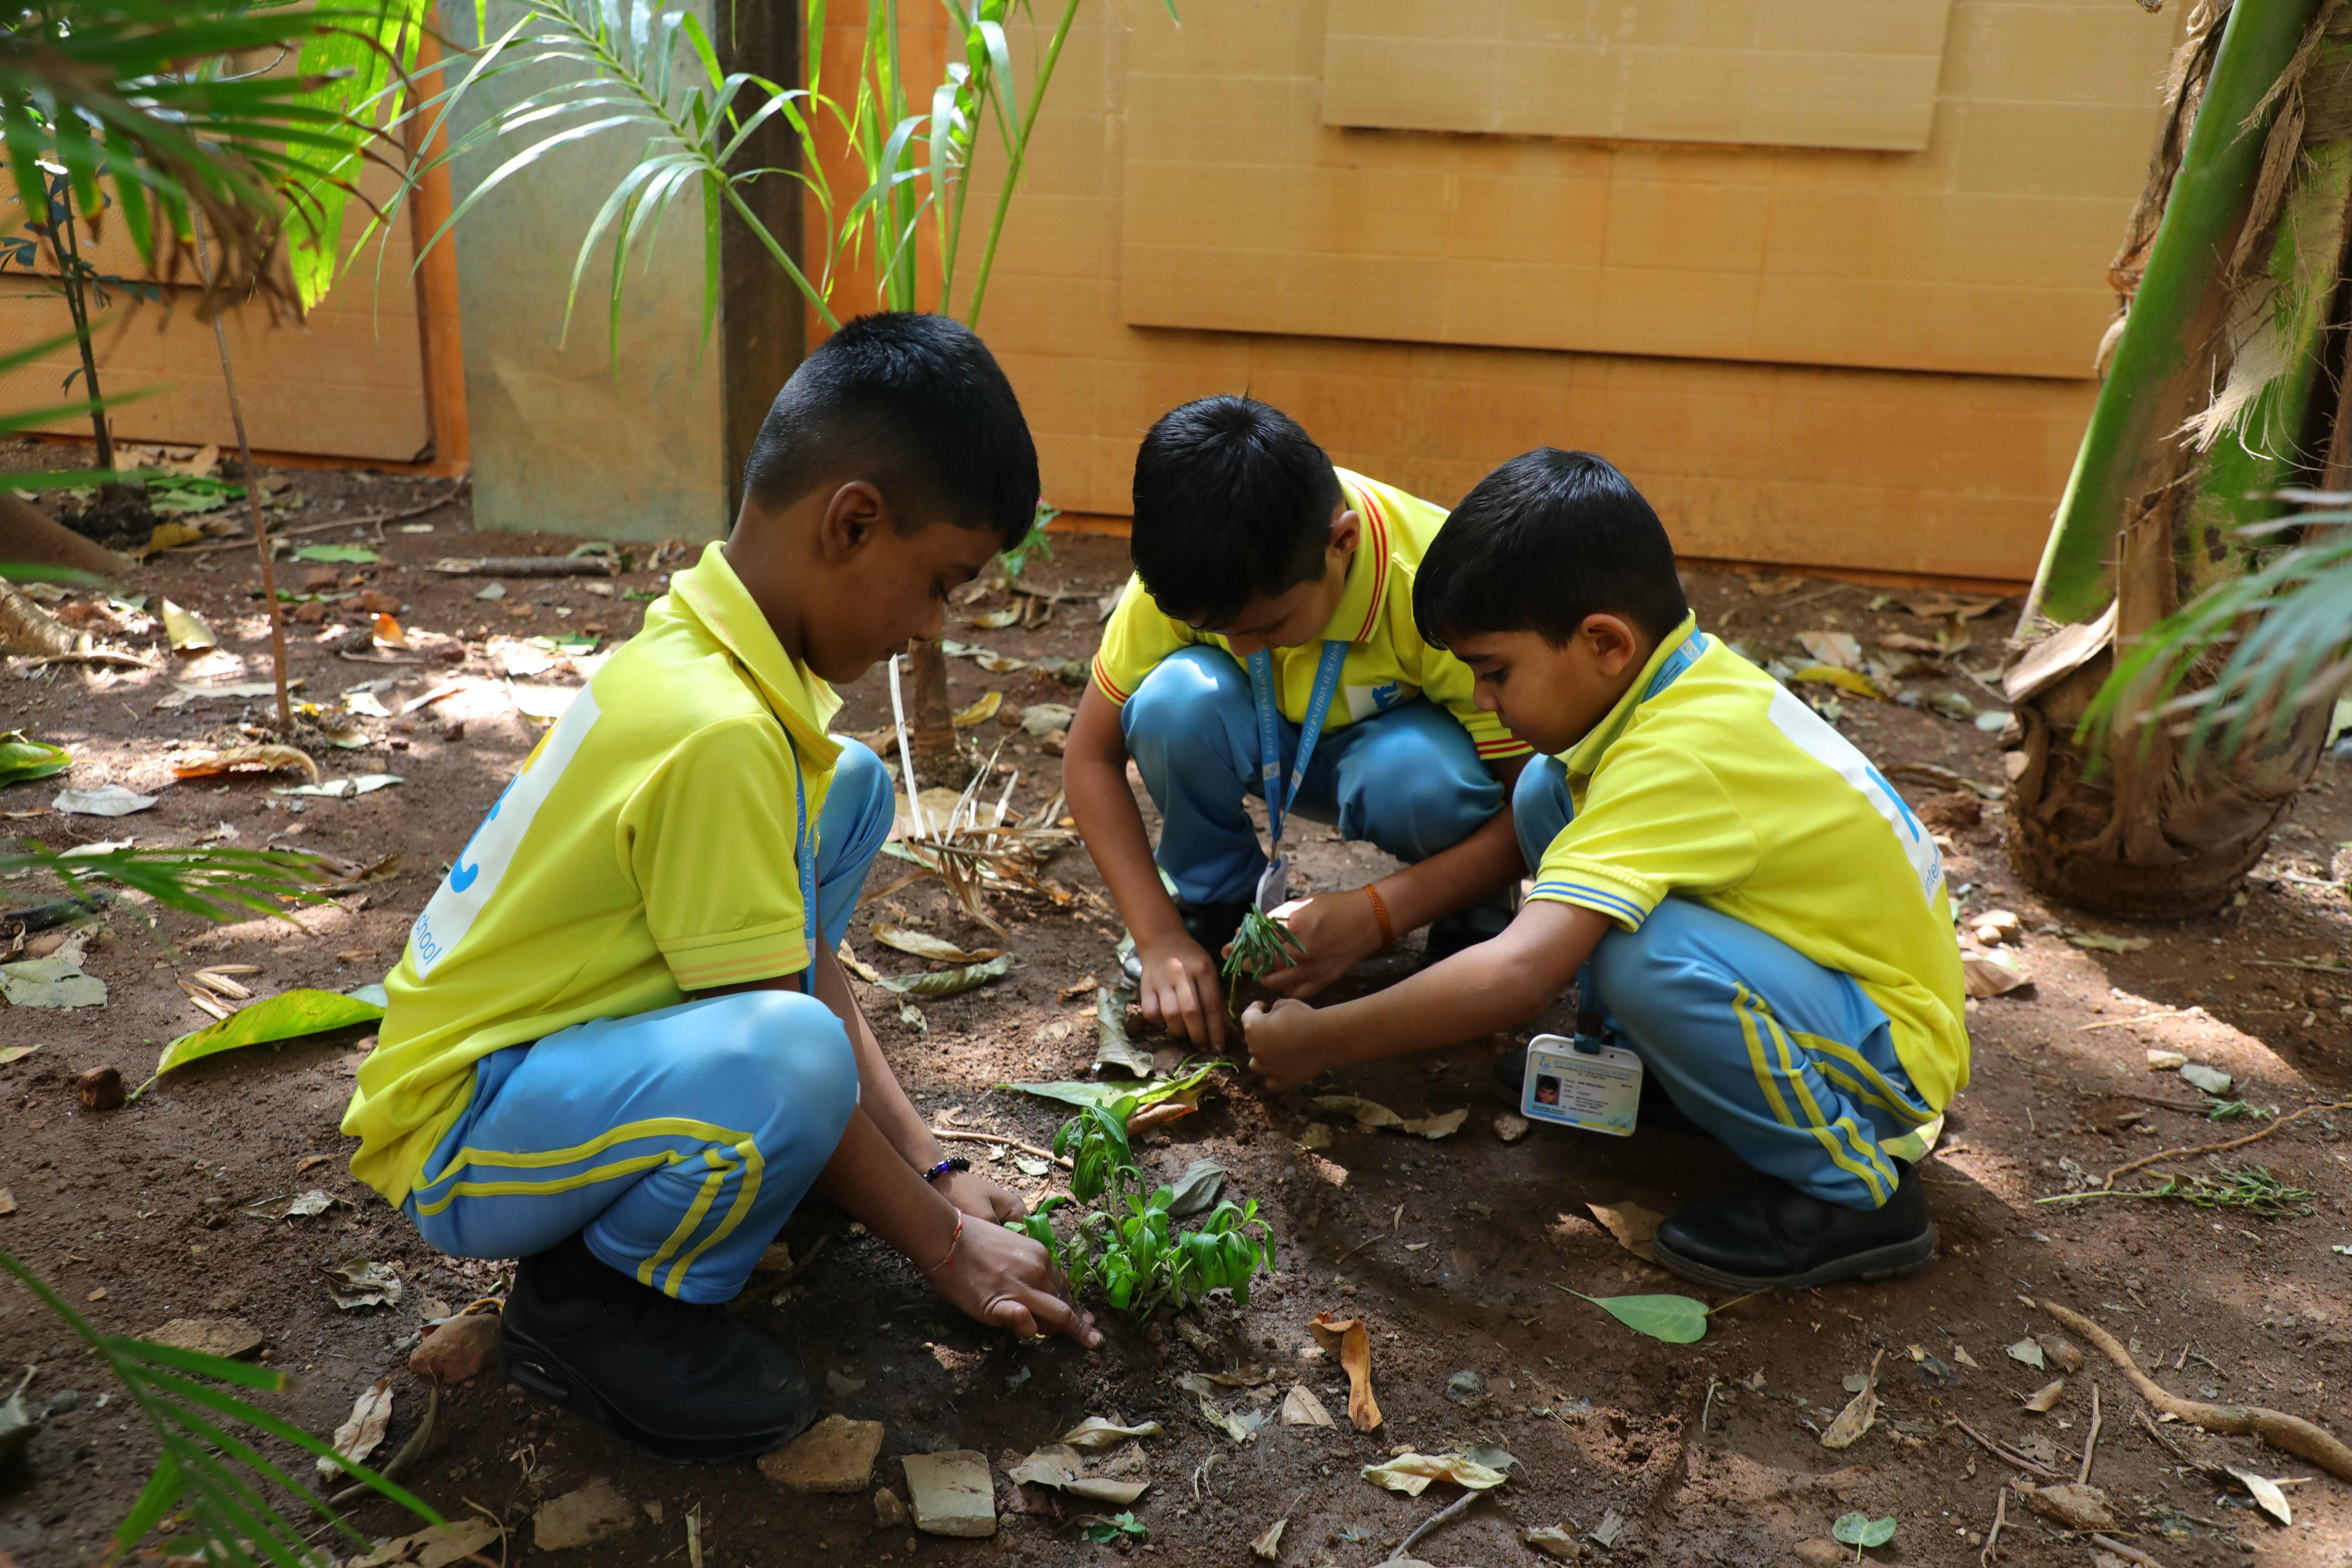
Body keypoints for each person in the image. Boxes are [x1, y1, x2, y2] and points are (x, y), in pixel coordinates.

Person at [340, 314, 1098, 1464]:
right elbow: (792, 1032)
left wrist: (930, 1170)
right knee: (794, 1063)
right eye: (940, 583)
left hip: (554, 1062)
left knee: (849, 791)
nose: (933, 624)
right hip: (464, 1133)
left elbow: (802, 973)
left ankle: (729, 1167)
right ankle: (598, 1305)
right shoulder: (720, 735)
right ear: (853, 522)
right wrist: (945, 1248)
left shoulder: (714, 661)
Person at [1238, 448, 1967, 1291]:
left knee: (1643, 956)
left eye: (1495, 670)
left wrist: (1323, 1040)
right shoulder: (1683, 689)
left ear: (1604, 643)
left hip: (1889, 1051)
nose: (1481, 698)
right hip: (1833, 983)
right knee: (1548, 790)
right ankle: (1645, 1063)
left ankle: (1853, 1192)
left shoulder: (1679, 758)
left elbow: (1518, 974)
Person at [1063, 396, 1532, 1050]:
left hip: (1402, 770)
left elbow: (1537, 804)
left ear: (1341, 544)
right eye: (1218, 632)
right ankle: (1212, 903)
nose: (1246, 649)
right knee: (1176, 701)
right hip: (1273, 744)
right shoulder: (1194, 575)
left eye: (1270, 626)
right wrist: (1159, 935)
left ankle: (1470, 907)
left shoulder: (1438, 582)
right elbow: (1089, 758)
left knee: (1415, 778)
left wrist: (1376, 916)